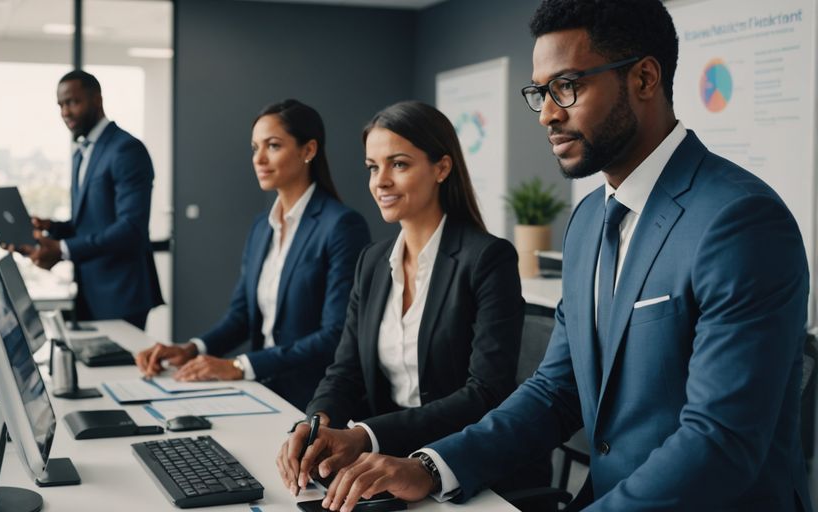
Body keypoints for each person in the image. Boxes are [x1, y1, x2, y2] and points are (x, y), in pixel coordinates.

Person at [317, 1, 812, 511]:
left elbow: (719, 444)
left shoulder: (741, 220)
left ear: (644, 79)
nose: (549, 113)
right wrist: (429, 467)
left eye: (568, 86)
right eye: (540, 92)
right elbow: (556, 389)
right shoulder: (589, 222)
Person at [275, 101, 548, 501]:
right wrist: (317, 425)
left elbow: (485, 393)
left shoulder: (487, 259)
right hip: (386, 468)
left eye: (398, 164)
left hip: (468, 471)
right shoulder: (372, 261)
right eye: (373, 167)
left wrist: (365, 435)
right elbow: (344, 371)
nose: (380, 181)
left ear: (441, 168)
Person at [136, 99, 370, 410]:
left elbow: (335, 335)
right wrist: (192, 349)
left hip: (313, 400)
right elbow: (242, 315)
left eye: (272, 146)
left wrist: (239, 366)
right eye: (255, 147)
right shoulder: (263, 226)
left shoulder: (341, 226)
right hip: (261, 389)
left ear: (308, 150)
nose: (258, 158)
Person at [18, 70, 163, 329]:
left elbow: (131, 228)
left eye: (73, 102)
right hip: (88, 288)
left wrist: (63, 249)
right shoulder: (81, 154)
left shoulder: (126, 149)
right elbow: (90, 221)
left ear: (97, 100)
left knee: (122, 369)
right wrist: (52, 227)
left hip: (121, 292)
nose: (65, 112)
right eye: (60, 105)